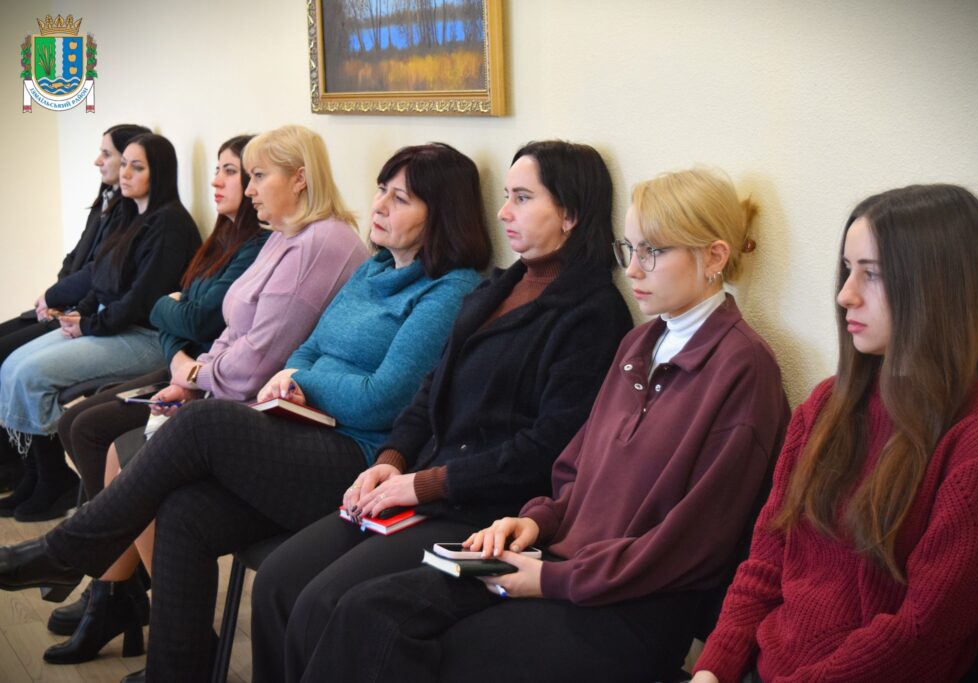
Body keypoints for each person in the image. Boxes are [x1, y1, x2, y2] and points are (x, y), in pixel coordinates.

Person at [254, 166, 786, 683]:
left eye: (654, 252)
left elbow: (693, 543)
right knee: (367, 611)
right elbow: (574, 469)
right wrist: (534, 522)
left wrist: (553, 576)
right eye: (630, 249)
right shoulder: (641, 343)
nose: (634, 271)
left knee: (424, 650)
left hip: (627, 603)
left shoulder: (743, 369)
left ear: (715, 257)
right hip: (555, 560)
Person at [0, 141, 491, 683]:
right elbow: (308, 347)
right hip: (301, 428)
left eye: (400, 199)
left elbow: (382, 399)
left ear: (441, 215)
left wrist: (306, 381)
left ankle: (69, 551)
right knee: (184, 512)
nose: (378, 206)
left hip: (360, 460)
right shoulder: (373, 268)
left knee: (200, 423)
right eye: (381, 190)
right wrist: (301, 375)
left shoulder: (450, 290)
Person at [40, 124, 368, 670]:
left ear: (300, 178)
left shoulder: (324, 242)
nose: (249, 188)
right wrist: (192, 376)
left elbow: (253, 362)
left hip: (280, 419)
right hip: (229, 391)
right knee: (134, 461)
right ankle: (141, 622)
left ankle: (81, 564)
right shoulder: (281, 235)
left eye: (256, 175)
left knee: (139, 451)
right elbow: (227, 330)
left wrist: (195, 371)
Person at [691, 185, 978, 683]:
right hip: (766, 666)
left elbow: (921, 635)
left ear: (936, 286)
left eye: (872, 273)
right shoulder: (827, 405)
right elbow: (767, 560)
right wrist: (712, 669)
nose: (845, 294)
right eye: (847, 270)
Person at [39, 133, 276, 664]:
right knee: (78, 424)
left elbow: (190, 313)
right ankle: (116, 590)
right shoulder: (221, 236)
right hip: (182, 364)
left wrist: (175, 323)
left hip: (207, 376)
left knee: (103, 436)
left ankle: (114, 593)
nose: (219, 181)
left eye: (236, 172)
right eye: (220, 169)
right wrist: (176, 340)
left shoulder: (257, 246)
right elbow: (173, 315)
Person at [0, 133, 201, 522]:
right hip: (113, 326)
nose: (125, 173)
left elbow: (143, 300)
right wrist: (81, 314)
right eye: (123, 164)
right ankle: (36, 475)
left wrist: (90, 324)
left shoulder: (170, 224)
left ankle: (54, 482)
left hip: (146, 338)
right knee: (11, 366)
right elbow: (103, 279)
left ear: (159, 173)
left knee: (30, 374)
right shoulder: (129, 215)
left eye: (137, 167)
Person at [0, 123, 150, 491]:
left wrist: (63, 303)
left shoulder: (142, 218)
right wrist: (54, 296)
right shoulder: (105, 204)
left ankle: (45, 477)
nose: (99, 161)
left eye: (109, 155)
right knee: (8, 355)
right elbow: (78, 260)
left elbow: (102, 275)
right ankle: (24, 471)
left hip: (91, 315)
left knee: (16, 364)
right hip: (75, 308)